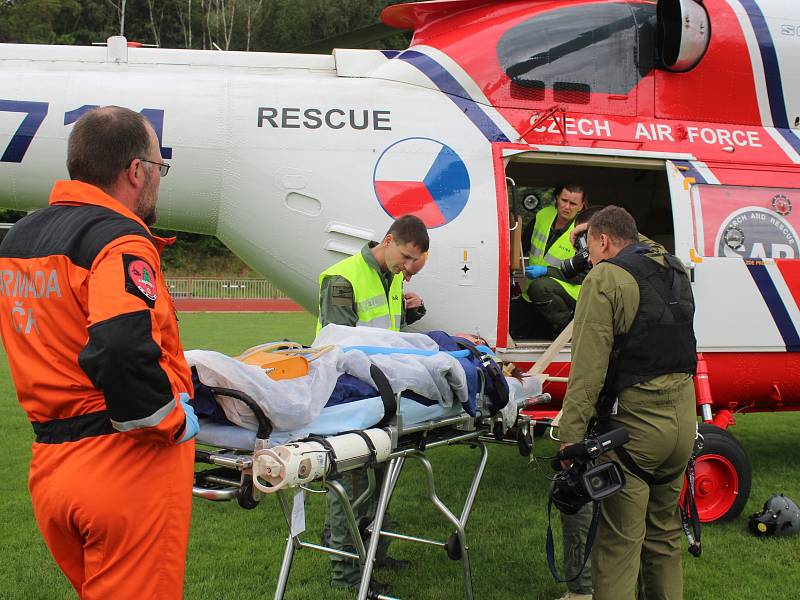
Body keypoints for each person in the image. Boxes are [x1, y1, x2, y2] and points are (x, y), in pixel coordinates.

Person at [0, 107, 198, 599]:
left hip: (51, 464)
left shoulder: (20, 238)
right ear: (136, 171)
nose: (158, 178)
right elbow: (120, 347)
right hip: (124, 465)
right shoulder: (118, 239)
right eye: (159, 167)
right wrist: (167, 420)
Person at [557, 205, 697, 600]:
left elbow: (587, 370)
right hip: (682, 427)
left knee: (619, 546)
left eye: (591, 247)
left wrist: (570, 438)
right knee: (665, 539)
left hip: (634, 432)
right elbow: (636, 243)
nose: (589, 259)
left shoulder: (606, 277)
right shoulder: (673, 268)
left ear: (603, 240)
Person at [317, 215, 429, 592]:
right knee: (349, 480)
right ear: (388, 240)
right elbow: (342, 342)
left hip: (379, 391)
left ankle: (377, 553)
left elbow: (387, 334)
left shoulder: (393, 278)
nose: (409, 268)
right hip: (345, 394)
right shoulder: (342, 277)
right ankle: (346, 574)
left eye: (415, 262)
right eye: (407, 257)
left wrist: (412, 312)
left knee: (382, 475)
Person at [510, 184, 588, 339]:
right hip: (534, 291)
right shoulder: (543, 215)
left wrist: (546, 271)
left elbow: (584, 276)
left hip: (569, 292)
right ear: (556, 198)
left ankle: (572, 331)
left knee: (541, 288)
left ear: (581, 206)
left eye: (573, 204)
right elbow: (521, 246)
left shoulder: (583, 231)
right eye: (564, 200)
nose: (567, 207)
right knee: (511, 327)